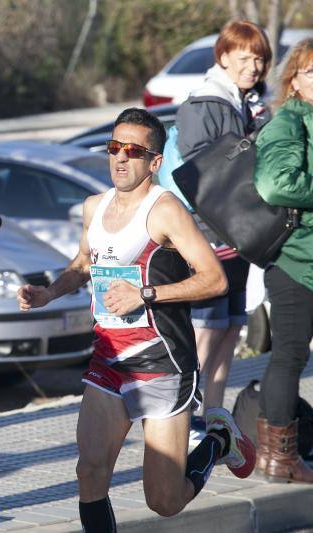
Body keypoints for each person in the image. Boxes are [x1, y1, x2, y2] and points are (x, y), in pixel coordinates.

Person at [18, 108, 255, 531]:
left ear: (155, 162)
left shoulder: (164, 212)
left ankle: (218, 441)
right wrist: (49, 292)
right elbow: (82, 263)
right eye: (114, 147)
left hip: (162, 363)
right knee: (89, 474)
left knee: (164, 501)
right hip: (109, 359)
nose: (120, 158)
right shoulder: (95, 207)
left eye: (133, 150)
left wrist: (144, 293)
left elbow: (214, 279)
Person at [174, 20, 273, 444]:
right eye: (245, 57)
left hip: (237, 234)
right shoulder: (204, 104)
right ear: (223, 57)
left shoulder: (243, 102)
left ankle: (213, 416)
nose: (254, 66)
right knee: (207, 331)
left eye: (260, 59)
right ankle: (181, 420)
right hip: (210, 233)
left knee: (231, 329)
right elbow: (199, 173)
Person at [253, 37, 313, 483]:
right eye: (310, 72)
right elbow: (276, 186)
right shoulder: (287, 123)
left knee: (291, 357)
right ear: (293, 81)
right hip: (295, 261)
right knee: (288, 357)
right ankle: (278, 457)